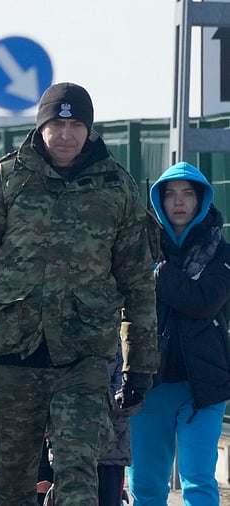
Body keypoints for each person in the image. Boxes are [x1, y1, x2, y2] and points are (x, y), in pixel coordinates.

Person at [0, 82, 158, 504]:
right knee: (14, 482)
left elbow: (138, 281)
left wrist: (140, 365)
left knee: (78, 469)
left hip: (84, 357)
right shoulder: (4, 178)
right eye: (57, 123)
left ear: (89, 130)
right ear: (41, 126)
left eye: (76, 125)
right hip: (11, 357)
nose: (66, 135)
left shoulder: (117, 187)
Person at [126, 161, 230, 505]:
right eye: (170, 194)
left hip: (203, 385)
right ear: (158, 200)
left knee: (199, 481)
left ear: (201, 199)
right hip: (147, 385)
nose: (179, 202)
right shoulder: (136, 245)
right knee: (145, 486)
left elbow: (204, 302)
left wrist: (157, 274)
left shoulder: (221, 250)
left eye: (187, 193)